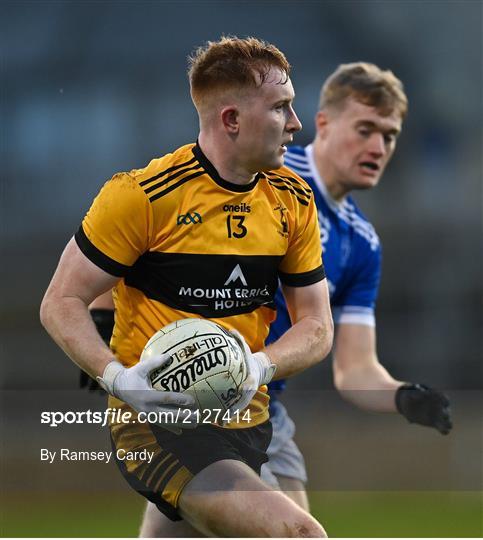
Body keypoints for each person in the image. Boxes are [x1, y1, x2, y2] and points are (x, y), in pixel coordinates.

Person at [138, 61, 453, 535]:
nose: (378, 147)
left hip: (263, 405)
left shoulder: (361, 243)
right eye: (365, 129)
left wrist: (403, 397)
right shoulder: (269, 171)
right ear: (322, 124)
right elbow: (157, 224)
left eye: (389, 136)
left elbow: (354, 369)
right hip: (193, 398)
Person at [40, 36, 334, 538]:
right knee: (300, 534)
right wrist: (119, 379)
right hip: (159, 429)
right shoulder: (141, 196)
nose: (295, 124)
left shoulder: (292, 200)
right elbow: (59, 303)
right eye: (281, 107)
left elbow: (317, 325)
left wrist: (259, 367)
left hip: (249, 425)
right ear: (231, 120)